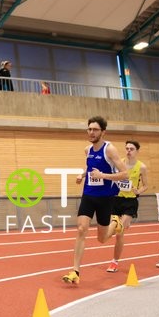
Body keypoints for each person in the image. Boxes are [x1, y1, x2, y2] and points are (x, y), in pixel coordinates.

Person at [61, 116, 128, 284]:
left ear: (103, 132)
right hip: (89, 194)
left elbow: (124, 173)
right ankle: (75, 271)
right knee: (81, 229)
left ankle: (116, 224)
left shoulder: (109, 150)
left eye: (95, 129)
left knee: (102, 239)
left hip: (106, 197)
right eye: (89, 129)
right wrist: (82, 174)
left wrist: (102, 176)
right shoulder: (88, 150)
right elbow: (89, 166)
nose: (91, 132)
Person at [106, 140, 148, 272]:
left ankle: (114, 262)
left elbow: (145, 185)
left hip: (130, 202)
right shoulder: (119, 163)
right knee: (113, 231)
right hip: (116, 200)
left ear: (137, 151)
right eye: (127, 148)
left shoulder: (142, 167)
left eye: (132, 149)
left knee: (119, 232)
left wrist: (138, 191)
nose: (129, 151)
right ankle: (118, 227)